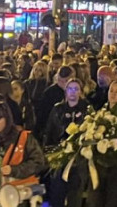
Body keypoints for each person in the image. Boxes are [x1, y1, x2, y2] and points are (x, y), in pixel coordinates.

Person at [43, 78, 93, 207]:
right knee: (57, 192)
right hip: (59, 155)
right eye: (70, 89)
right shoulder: (57, 109)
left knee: (75, 192)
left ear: (81, 92)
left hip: (79, 157)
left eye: (76, 89)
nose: (72, 92)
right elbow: (49, 132)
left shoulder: (87, 109)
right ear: (65, 92)